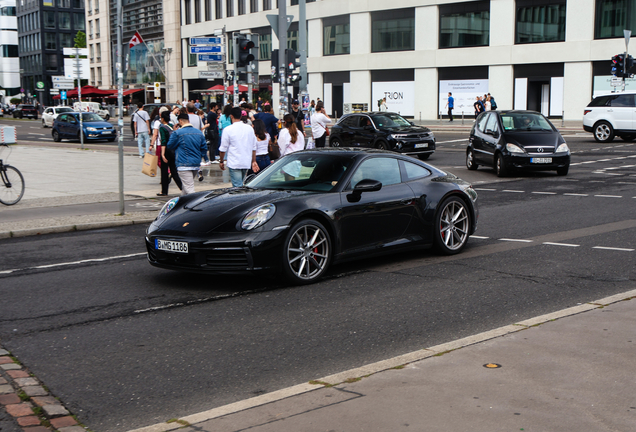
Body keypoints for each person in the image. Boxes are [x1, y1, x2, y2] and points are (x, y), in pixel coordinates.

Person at [166, 112, 208, 195]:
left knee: (189, 189)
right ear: (188, 120)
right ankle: (182, 205)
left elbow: (170, 145)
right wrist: (204, 158)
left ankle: (196, 206)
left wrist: (174, 131)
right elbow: (204, 148)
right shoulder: (199, 132)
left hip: (183, 163)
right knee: (186, 188)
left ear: (180, 121)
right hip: (195, 163)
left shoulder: (178, 133)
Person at [218, 107, 259, 187]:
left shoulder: (228, 130)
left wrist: (221, 161)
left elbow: (223, 148)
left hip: (234, 162)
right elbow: (254, 146)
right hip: (246, 161)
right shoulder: (249, 128)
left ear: (231, 116)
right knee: (241, 184)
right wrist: (253, 161)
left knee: (237, 186)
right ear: (240, 116)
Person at [157, 110, 182, 196]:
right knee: (174, 171)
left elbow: (163, 141)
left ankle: (164, 191)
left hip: (167, 150)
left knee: (164, 171)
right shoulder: (172, 126)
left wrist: (162, 154)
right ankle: (182, 188)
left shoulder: (162, 128)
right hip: (173, 150)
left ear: (163, 118)